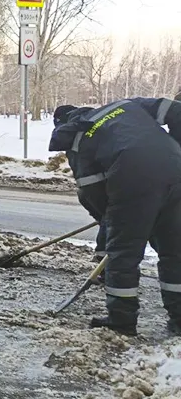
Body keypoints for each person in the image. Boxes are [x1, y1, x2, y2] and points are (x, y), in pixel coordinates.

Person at [50, 98, 181, 336]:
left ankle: (121, 321)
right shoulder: (126, 106)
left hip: (133, 180)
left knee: (122, 254)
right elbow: (177, 110)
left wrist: (113, 221)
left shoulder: (79, 136)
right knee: (174, 250)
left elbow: (90, 192)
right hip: (176, 169)